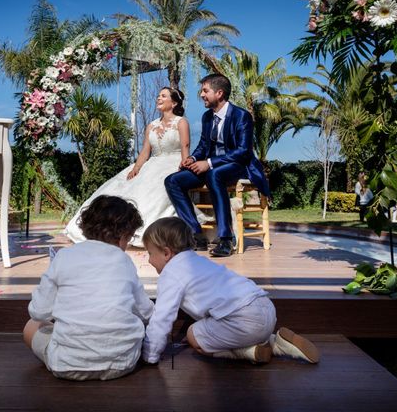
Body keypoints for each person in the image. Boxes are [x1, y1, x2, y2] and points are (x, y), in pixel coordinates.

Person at [141, 217, 320, 366]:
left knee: (193, 335)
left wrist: (150, 354)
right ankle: (275, 340)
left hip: (244, 320)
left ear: (166, 253)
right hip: (265, 307)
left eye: (150, 253)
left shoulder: (171, 273)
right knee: (219, 325)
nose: (149, 260)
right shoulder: (197, 261)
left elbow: (162, 317)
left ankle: (249, 351)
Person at [24, 195, 154, 381]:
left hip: (67, 365)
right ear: (123, 236)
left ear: (86, 227)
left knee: (31, 327)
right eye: (130, 238)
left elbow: (38, 313)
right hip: (122, 364)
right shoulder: (123, 260)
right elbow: (145, 311)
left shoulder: (64, 257)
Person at [66, 87, 200, 247]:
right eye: (158, 96)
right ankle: (108, 227)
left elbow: (185, 146)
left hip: (173, 163)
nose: (158, 98)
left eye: (163, 96)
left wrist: (184, 166)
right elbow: (145, 151)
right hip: (153, 163)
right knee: (127, 186)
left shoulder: (181, 122)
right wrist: (136, 168)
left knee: (159, 190)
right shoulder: (151, 125)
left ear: (174, 102)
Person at [165, 73, 270, 258]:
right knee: (172, 181)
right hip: (210, 166)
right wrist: (192, 158)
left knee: (214, 174)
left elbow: (243, 151)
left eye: (205, 91)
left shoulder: (241, 116)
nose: (202, 95)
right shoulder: (207, 117)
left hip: (238, 165)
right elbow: (204, 145)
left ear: (219, 93)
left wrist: (210, 163)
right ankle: (196, 234)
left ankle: (226, 239)